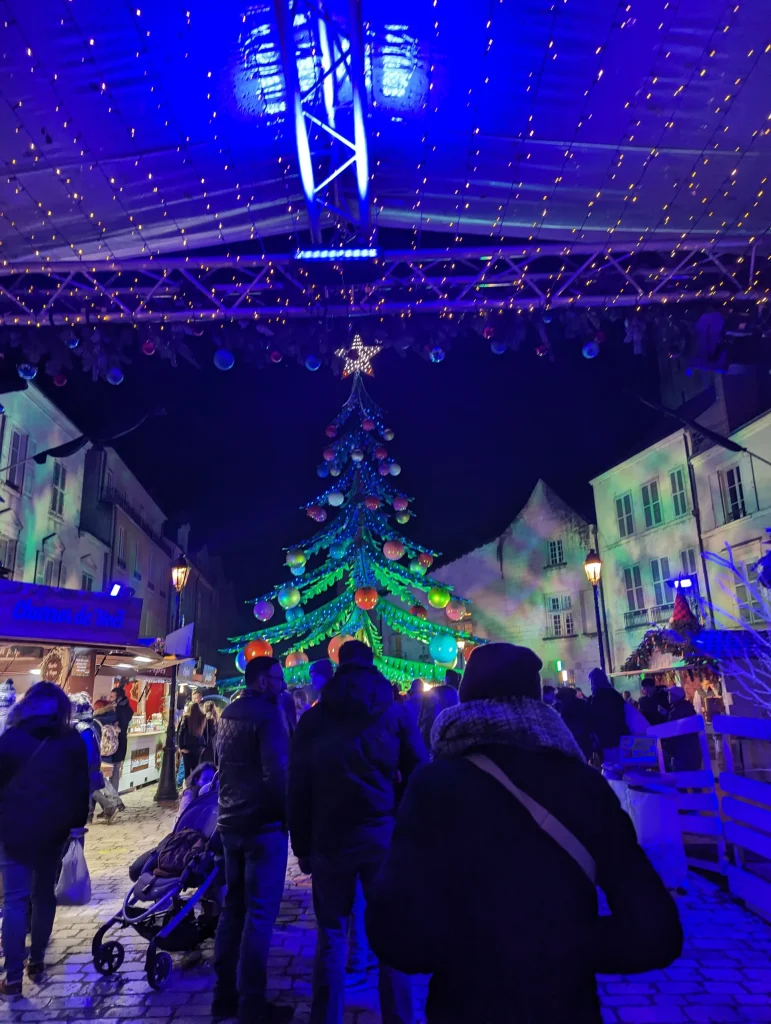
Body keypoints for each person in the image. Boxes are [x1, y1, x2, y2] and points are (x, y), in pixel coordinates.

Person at [365, 643, 684, 1024]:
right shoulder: (583, 784)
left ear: (465, 705)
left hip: (466, 1007)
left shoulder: (434, 786)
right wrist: (560, 946)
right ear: (538, 702)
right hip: (564, 1007)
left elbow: (393, 933)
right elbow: (654, 931)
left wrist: (472, 949)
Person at [289, 639, 427, 1024]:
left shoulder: (315, 718)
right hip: (382, 832)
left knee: (332, 934)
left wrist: (301, 844)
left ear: (338, 666)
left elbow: (297, 785)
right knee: (389, 932)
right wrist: (401, 813)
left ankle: (325, 1018)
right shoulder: (394, 712)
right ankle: (398, 1018)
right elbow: (420, 768)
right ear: (371, 665)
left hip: (330, 836)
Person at [213, 656, 293, 1024]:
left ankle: (223, 995)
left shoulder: (228, 714)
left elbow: (221, 766)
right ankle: (252, 1003)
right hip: (263, 825)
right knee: (260, 915)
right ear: (261, 681)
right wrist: (286, 817)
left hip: (230, 823)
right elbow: (276, 773)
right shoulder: (268, 715)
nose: (282, 684)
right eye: (276, 678)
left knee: (233, 909)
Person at [0, 682, 90, 995]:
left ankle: (12, 978)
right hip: (54, 830)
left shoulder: (12, 738)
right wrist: (77, 824)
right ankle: (36, 960)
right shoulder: (71, 740)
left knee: (14, 901)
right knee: (43, 895)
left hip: (13, 829)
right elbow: (82, 786)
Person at [70, 692, 118, 824]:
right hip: (91, 763)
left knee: (90, 789)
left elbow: (88, 750)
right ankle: (93, 813)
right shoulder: (88, 725)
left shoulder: (82, 727)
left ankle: (107, 807)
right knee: (90, 789)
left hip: (85, 765)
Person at [588, 667, 627, 763]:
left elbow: (594, 719)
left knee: (611, 767)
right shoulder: (615, 695)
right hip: (621, 736)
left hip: (606, 739)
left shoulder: (596, 698)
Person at [663, 688, 703, 772]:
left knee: (680, 779)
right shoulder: (688, 708)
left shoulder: (676, 711)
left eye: (670, 694)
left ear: (676, 697)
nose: (668, 696)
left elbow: (672, 733)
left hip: (680, 752)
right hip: (692, 750)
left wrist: (665, 748)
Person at [107, 684, 133, 805]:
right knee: (115, 773)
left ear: (118, 698)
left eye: (112, 696)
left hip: (112, 745)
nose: (109, 698)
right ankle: (114, 801)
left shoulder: (117, 710)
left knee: (108, 773)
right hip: (121, 744)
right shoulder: (127, 709)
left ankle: (112, 802)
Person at [555, 687, 593, 761]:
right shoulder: (582, 703)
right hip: (585, 736)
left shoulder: (564, 707)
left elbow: (563, 723)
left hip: (572, 737)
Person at [179, 701, 207, 780]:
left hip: (187, 747)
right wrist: (204, 746)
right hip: (199, 747)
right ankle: (195, 787)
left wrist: (181, 747)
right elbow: (205, 733)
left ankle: (188, 788)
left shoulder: (186, 718)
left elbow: (181, 734)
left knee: (187, 770)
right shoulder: (202, 718)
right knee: (196, 768)